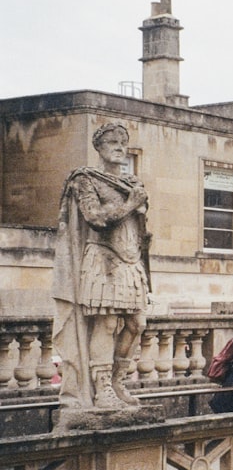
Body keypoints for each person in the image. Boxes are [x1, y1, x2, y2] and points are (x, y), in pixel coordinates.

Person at [53, 122, 151, 409]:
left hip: (131, 261)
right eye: (112, 142)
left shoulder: (132, 183)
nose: (119, 147)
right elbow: (95, 219)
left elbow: (141, 230)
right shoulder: (86, 180)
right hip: (103, 258)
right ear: (99, 147)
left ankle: (119, 380)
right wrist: (132, 203)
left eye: (123, 141)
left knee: (137, 324)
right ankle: (102, 386)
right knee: (107, 324)